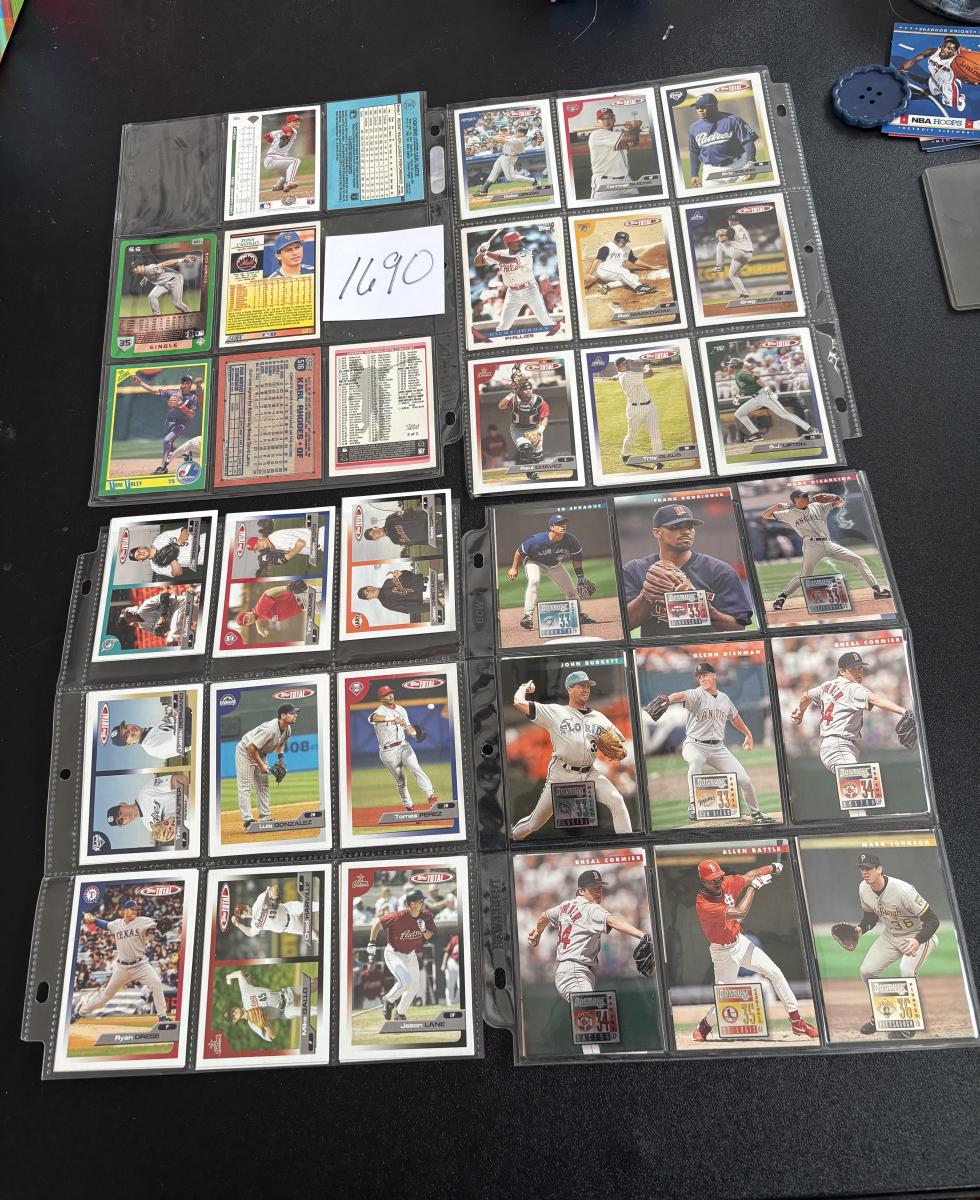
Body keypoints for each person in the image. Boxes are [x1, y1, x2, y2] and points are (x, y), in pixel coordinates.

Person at [691, 859, 817, 1042]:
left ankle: (797, 1021)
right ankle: (704, 1026)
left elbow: (750, 875)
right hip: (723, 953)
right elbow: (741, 912)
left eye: (719, 877)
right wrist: (753, 888)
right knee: (725, 1000)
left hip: (740, 942)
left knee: (775, 972)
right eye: (712, 879)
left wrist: (771, 868)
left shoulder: (726, 882)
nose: (717, 881)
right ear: (703, 881)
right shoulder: (704, 904)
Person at [510, 670, 632, 840]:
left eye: (588, 686)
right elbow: (518, 702)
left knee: (616, 800)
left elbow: (619, 744)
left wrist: (618, 750)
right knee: (534, 823)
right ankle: (510, 837)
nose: (586, 689)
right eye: (581, 686)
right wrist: (524, 687)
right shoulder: (556, 712)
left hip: (590, 773)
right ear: (570, 689)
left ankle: (629, 845)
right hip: (562, 774)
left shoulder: (599, 717)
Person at [646, 662, 773, 823]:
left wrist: (748, 734)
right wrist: (668, 699)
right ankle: (694, 804)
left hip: (718, 749)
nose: (702, 679)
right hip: (694, 745)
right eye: (699, 677)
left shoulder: (724, 699)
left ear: (714, 675)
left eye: (705, 675)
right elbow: (681, 695)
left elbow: (735, 718)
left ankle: (756, 813)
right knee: (696, 761)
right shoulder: (696, 695)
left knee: (745, 780)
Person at [841, 852, 940, 1039]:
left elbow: (933, 920)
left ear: (879, 869)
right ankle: (879, 1015)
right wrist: (860, 929)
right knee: (867, 971)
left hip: (917, 936)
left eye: (869, 868)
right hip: (891, 935)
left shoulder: (903, 891)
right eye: (862, 868)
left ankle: (909, 1024)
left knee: (907, 971)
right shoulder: (863, 888)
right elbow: (870, 918)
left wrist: (917, 940)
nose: (865, 872)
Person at [622, 503, 754, 637]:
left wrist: (707, 610)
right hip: (659, 649)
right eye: (676, 526)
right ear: (657, 532)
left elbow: (739, 627)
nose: (686, 531)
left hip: (705, 646)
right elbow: (625, 623)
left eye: (690, 526)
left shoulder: (720, 570)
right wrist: (646, 596)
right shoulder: (635, 570)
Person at [761, 489, 891, 611]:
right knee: (805, 576)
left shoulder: (818, 506)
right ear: (795, 500)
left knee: (858, 560)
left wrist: (834, 497)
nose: (807, 497)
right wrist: (776, 506)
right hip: (811, 546)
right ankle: (782, 597)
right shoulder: (789, 513)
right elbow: (765, 515)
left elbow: (840, 503)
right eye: (803, 496)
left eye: (807, 495)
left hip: (828, 544)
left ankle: (877, 590)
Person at [507, 513, 598, 631]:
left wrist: (580, 578)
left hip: (555, 565)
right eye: (559, 524)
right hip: (534, 562)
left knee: (571, 591)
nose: (563, 526)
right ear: (551, 527)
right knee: (534, 581)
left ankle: (577, 615)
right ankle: (527, 617)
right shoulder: (538, 540)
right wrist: (514, 568)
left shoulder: (571, 540)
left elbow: (576, 558)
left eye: (564, 523)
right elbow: (520, 551)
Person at [367, 889, 436, 1022]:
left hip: (410, 954)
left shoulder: (425, 915)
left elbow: (429, 936)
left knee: (414, 987)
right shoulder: (398, 916)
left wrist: (424, 929)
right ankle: (388, 999)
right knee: (405, 981)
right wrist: (372, 942)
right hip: (394, 953)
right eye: (420, 901)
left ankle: (400, 1012)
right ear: (412, 904)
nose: (423, 903)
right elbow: (377, 923)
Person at [369, 685, 437, 811]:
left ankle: (431, 797)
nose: (390, 695)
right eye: (386, 694)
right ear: (381, 698)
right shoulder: (379, 712)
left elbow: (408, 728)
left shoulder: (401, 710)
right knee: (401, 782)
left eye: (391, 693)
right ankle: (409, 807)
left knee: (416, 769)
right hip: (388, 751)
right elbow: (373, 718)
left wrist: (414, 734)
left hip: (404, 746)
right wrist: (392, 719)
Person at [234, 703, 298, 830]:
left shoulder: (287, 729)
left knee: (263, 785)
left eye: (295, 713)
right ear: (283, 715)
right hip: (245, 751)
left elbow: (280, 743)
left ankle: (265, 818)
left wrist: (281, 758)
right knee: (245, 786)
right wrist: (261, 765)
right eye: (292, 713)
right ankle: (248, 820)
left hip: (260, 753)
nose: (295, 715)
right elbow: (251, 747)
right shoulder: (270, 729)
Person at [687, 93, 760, 188]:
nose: (699, 110)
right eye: (697, 107)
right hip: (710, 171)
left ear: (714, 106)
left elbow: (747, 141)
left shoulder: (733, 120)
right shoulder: (694, 128)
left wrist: (751, 161)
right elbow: (694, 152)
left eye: (703, 107)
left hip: (736, 166)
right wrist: (694, 174)